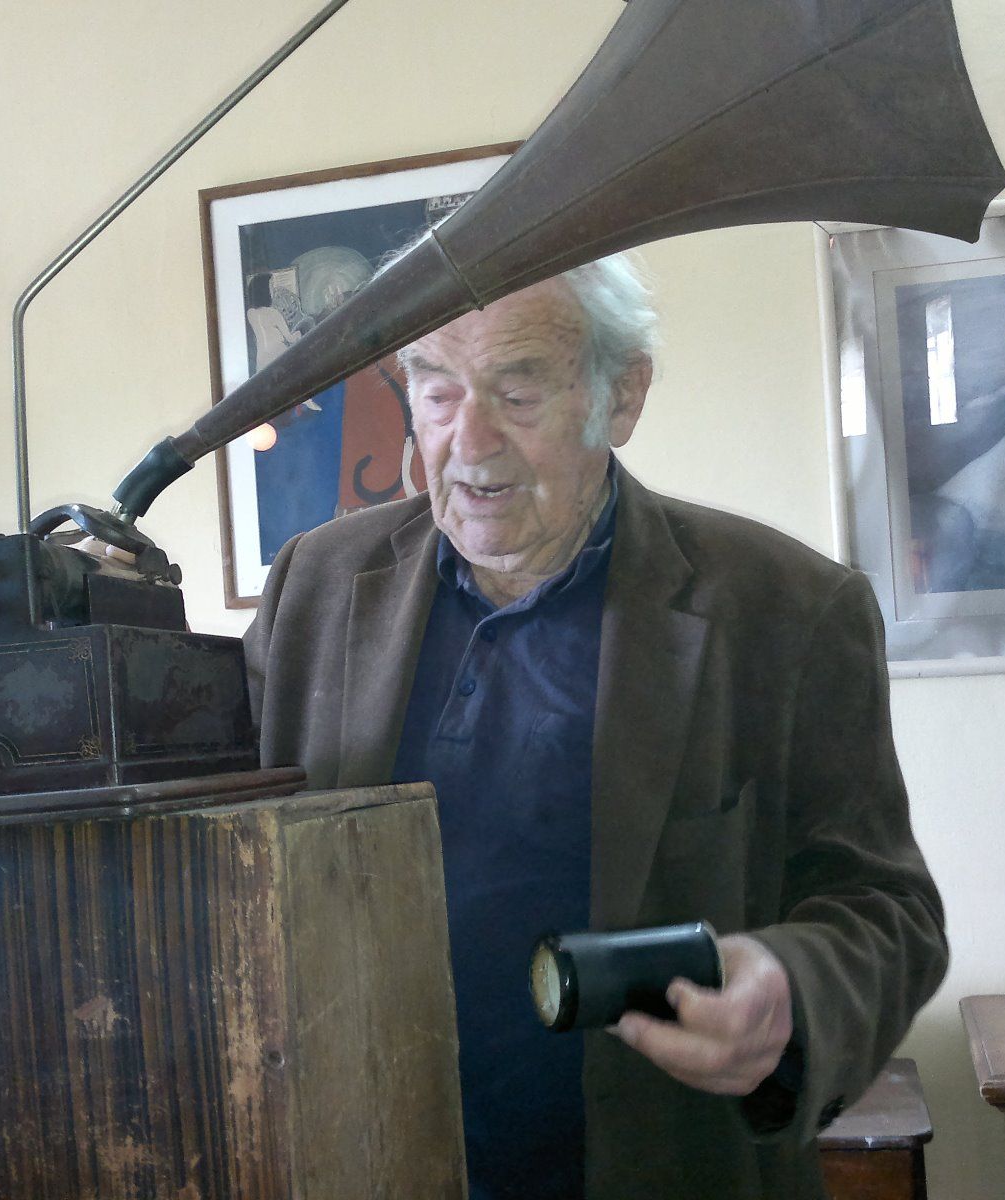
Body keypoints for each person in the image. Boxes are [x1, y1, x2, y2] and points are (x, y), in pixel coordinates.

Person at [243, 251, 947, 1200]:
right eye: (438, 392)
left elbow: (888, 911)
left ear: (621, 399)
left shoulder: (784, 608)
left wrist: (789, 983)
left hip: (664, 1168)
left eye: (519, 394)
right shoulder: (315, 588)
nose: (470, 440)